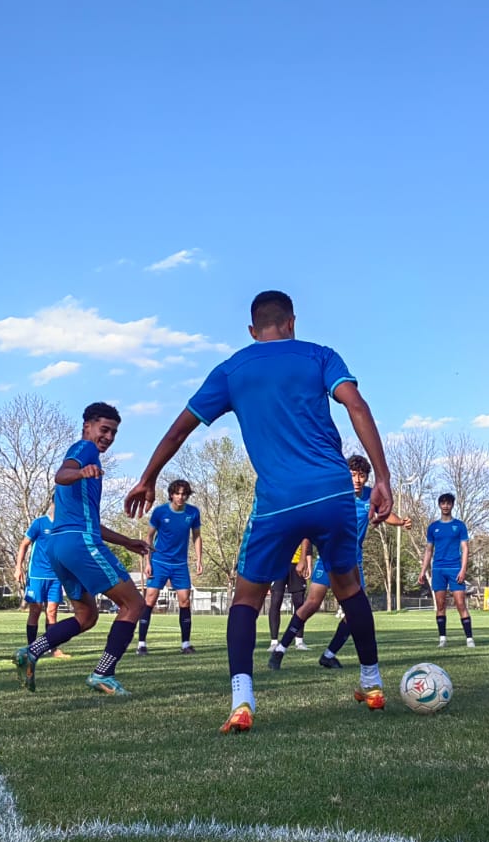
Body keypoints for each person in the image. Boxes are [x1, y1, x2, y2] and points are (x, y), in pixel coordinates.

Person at [124, 290, 393, 733]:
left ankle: (243, 701)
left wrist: (149, 476)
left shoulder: (232, 369)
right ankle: (373, 683)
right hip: (332, 493)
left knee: (246, 599)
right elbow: (356, 406)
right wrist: (381, 477)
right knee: (349, 589)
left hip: (278, 501)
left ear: (253, 331)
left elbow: (178, 430)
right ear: (292, 323)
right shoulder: (320, 356)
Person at [11, 402, 152, 696]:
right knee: (134, 605)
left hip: (60, 547)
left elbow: (90, 521)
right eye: (104, 429)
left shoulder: (87, 466)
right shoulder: (84, 450)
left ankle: (31, 652)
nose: (109, 437)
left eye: (114, 432)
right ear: (87, 426)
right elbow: (62, 474)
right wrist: (80, 471)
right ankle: (103, 673)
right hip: (80, 544)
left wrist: (127, 542)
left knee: (86, 616)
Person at [270, 454, 411, 669]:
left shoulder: (370, 496)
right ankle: (280, 650)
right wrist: (304, 557)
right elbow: (310, 525)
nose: (357, 479)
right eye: (353, 474)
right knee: (312, 603)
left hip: (353, 560)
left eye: (361, 475)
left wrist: (400, 522)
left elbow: (385, 513)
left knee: (356, 611)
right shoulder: (334, 494)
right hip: (328, 555)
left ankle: (329, 654)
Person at [138, 479, 203, 656]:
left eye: (184, 494)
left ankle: (186, 644)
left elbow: (196, 536)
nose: (180, 497)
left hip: (180, 564)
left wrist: (198, 559)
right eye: (177, 493)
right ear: (171, 494)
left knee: (185, 601)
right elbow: (149, 538)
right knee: (150, 600)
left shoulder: (193, 513)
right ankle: (142, 644)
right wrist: (148, 562)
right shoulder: (160, 512)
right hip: (159, 562)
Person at [14, 499, 71, 655]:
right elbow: (24, 544)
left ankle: (53, 648)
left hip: (55, 576)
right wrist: (18, 568)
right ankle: (32, 648)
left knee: (52, 612)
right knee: (35, 610)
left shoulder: (64, 526)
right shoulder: (39, 523)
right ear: (52, 503)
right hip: (37, 575)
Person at [418, 494, 475, 648]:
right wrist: (423, 571)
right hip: (438, 569)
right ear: (439, 505)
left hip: (455, 569)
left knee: (460, 604)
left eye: (448, 503)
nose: (445, 506)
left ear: (452, 505)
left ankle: (469, 639)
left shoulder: (460, 526)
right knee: (440, 605)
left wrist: (463, 569)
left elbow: (465, 548)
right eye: (442, 503)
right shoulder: (433, 527)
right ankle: (442, 639)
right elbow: (429, 550)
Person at [267, 544, 310, 654]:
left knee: (299, 603)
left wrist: (308, 564)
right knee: (275, 601)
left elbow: (307, 541)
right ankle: (274, 642)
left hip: (297, 564)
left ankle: (299, 641)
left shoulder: (301, 526)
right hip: (278, 565)